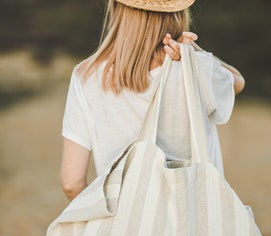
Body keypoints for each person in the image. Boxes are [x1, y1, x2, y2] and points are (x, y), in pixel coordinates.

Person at [60, 0, 245, 201]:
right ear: (179, 12)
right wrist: (193, 52)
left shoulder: (86, 76)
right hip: (192, 222)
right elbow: (237, 82)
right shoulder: (197, 68)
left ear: (115, 8)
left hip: (124, 225)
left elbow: (71, 183)